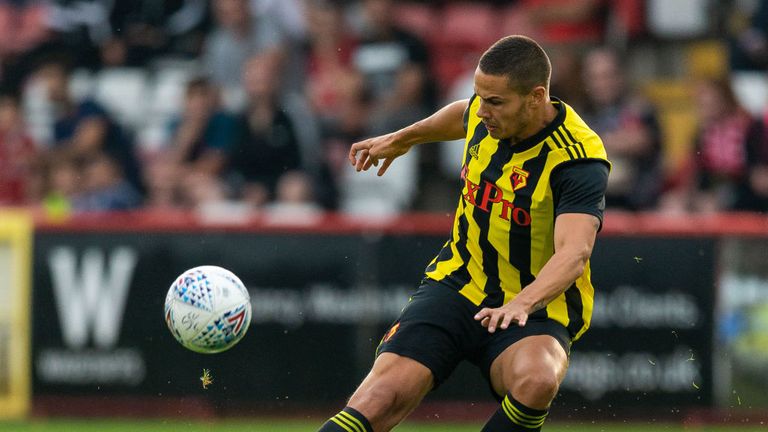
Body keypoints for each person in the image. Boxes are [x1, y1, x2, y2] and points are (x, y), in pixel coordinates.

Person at [319, 35, 610, 432]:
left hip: (536, 307)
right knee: (378, 398)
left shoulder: (578, 158)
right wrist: (403, 139)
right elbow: (462, 113)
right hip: (458, 283)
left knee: (537, 380)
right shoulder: (484, 111)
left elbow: (574, 254)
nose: (483, 111)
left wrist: (521, 304)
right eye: (480, 96)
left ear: (536, 97)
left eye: (495, 102)